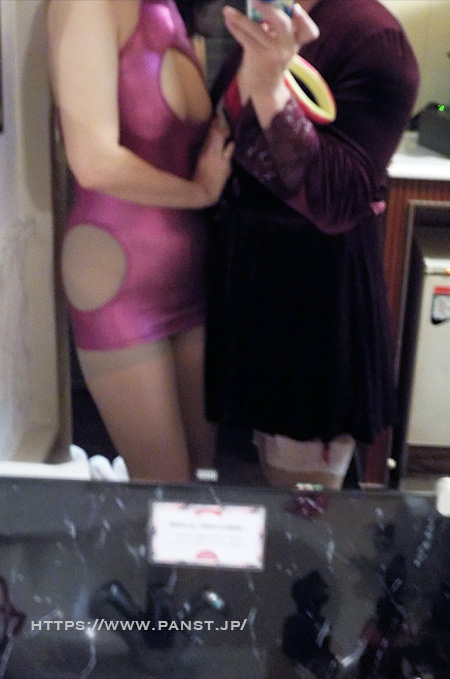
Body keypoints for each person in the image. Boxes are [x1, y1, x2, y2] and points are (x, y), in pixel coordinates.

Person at [205, 0, 420, 488]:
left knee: (303, 511)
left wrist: (269, 85)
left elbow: (336, 200)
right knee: (256, 490)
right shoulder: (265, 21)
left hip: (313, 301)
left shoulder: (374, 38)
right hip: (253, 285)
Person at [46, 0, 233, 483]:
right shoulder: (85, 5)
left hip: (189, 275)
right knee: (164, 484)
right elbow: (92, 161)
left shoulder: (170, 9)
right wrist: (198, 193)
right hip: (117, 278)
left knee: (201, 471)